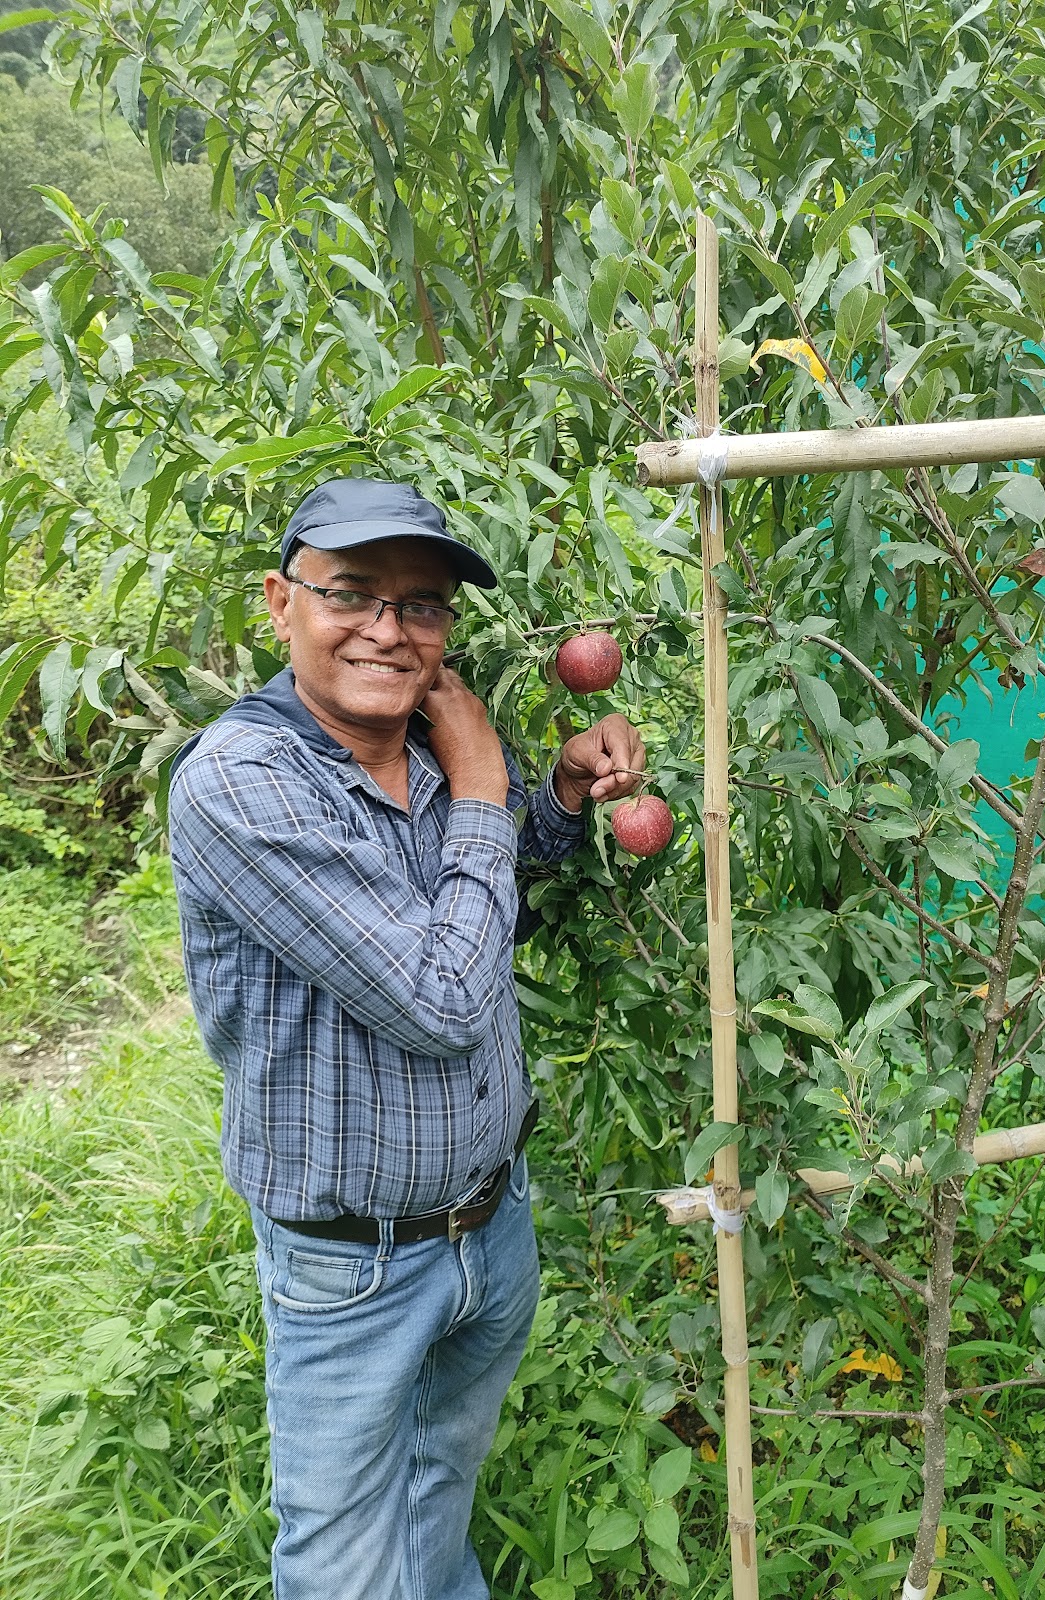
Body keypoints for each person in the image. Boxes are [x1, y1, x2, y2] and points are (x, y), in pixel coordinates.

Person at [168, 477, 646, 1600]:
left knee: (439, 1489)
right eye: (353, 593)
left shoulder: (424, 750)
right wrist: (486, 779)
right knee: (340, 1563)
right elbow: (441, 999)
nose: (389, 629)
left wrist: (556, 802)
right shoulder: (243, 783)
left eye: (422, 605)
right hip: (354, 1263)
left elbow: (469, 911)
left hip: (491, 1225)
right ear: (282, 603)